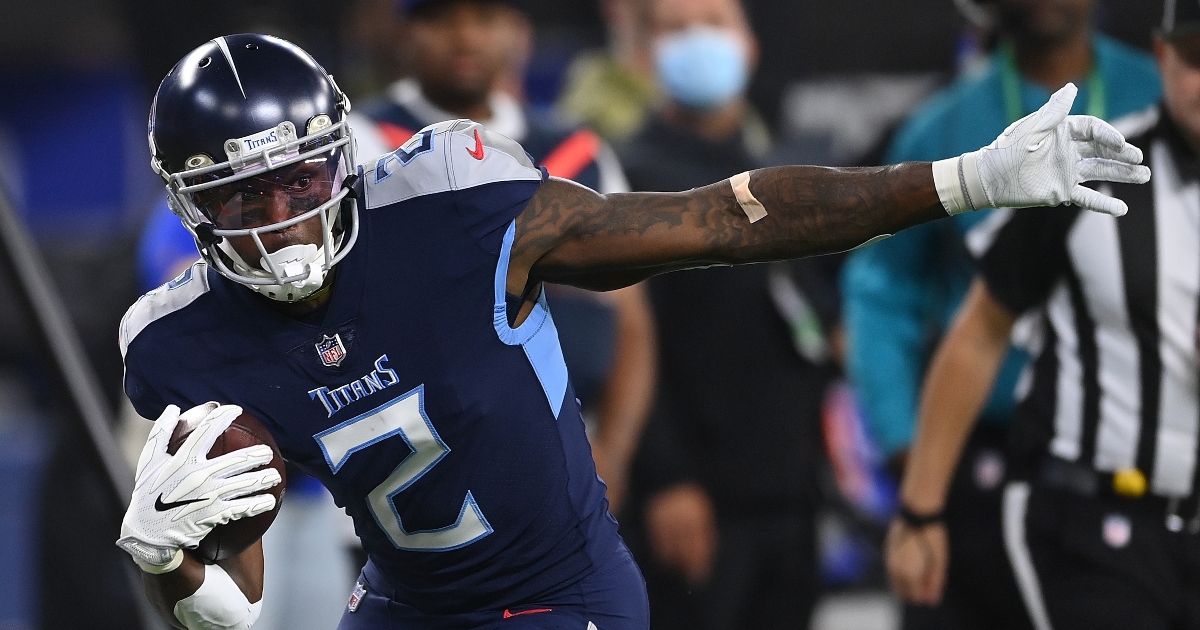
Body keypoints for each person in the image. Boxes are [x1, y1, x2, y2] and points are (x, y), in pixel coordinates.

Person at [113, 32, 1146, 630]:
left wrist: (966, 179)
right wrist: (172, 570)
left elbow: (732, 220)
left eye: (299, 178)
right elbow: (229, 597)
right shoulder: (181, 344)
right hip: (401, 604)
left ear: (340, 155)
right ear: (189, 210)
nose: (285, 219)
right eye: (245, 199)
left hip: (560, 594)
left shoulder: (456, 210)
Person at [840, 0, 1161, 627]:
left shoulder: (1163, 98)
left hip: (1137, 467)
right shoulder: (943, 123)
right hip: (979, 462)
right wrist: (909, 453)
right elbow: (882, 290)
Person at [358, 0, 656, 513]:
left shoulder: (576, 153)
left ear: (519, 32)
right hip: (417, 471)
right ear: (406, 33)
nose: (467, 37)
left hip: (571, 456)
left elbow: (632, 322)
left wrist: (613, 452)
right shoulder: (361, 148)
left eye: (485, 17)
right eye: (444, 19)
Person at [614, 0, 833, 627]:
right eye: (675, 28)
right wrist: (664, 480)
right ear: (644, 53)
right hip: (694, 501)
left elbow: (811, 318)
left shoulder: (785, 169)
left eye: (713, 22)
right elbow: (628, 342)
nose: (697, 41)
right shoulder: (624, 180)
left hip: (793, 497)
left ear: (751, 45)